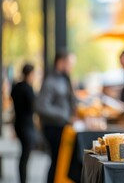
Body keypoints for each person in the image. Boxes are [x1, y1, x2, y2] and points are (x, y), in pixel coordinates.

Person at [35, 49, 77, 183]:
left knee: (59, 162)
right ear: (61, 62)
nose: (72, 67)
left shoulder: (63, 79)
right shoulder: (51, 81)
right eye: (70, 63)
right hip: (53, 128)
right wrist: (65, 115)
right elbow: (41, 106)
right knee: (56, 161)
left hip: (60, 126)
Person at [11, 64, 36, 183]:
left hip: (18, 123)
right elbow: (33, 106)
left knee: (24, 153)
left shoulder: (16, 87)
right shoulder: (28, 88)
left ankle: (22, 178)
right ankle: (23, 179)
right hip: (26, 124)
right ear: (30, 74)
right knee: (25, 154)